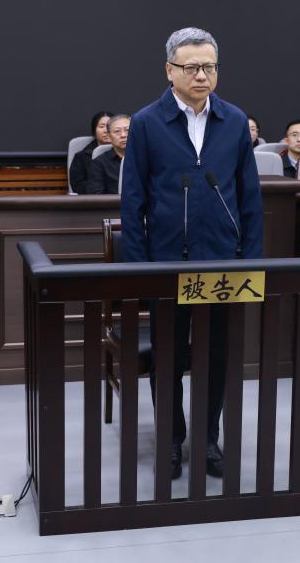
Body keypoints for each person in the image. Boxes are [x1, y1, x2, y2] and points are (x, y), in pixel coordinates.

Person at [122, 27, 263, 479]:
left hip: (221, 261)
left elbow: (250, 196)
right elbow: (133, 202)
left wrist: (251, 261)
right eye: (191, 67)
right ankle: (170, 439)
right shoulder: (147, 123)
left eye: (209, 67)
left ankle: (207, 438)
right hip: (167, 262)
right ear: (170, 71)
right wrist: (138, 270)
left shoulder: (234, 120)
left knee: (216, 356)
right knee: (167, 358)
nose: (201, 75)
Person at [70, 111, 112, 194]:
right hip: (92, 198)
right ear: (94, 131)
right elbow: (78, 186)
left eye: (109, 126)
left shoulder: (123, 153)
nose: (106, 130)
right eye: (101, 126)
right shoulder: (81, 157)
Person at [87, 114, 129, 194]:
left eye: (127, 130)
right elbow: (96, 195)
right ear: (109, 136)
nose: (123, 135)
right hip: (113, 202)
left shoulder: (145, 158)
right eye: (117, 131)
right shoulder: (99, 163)